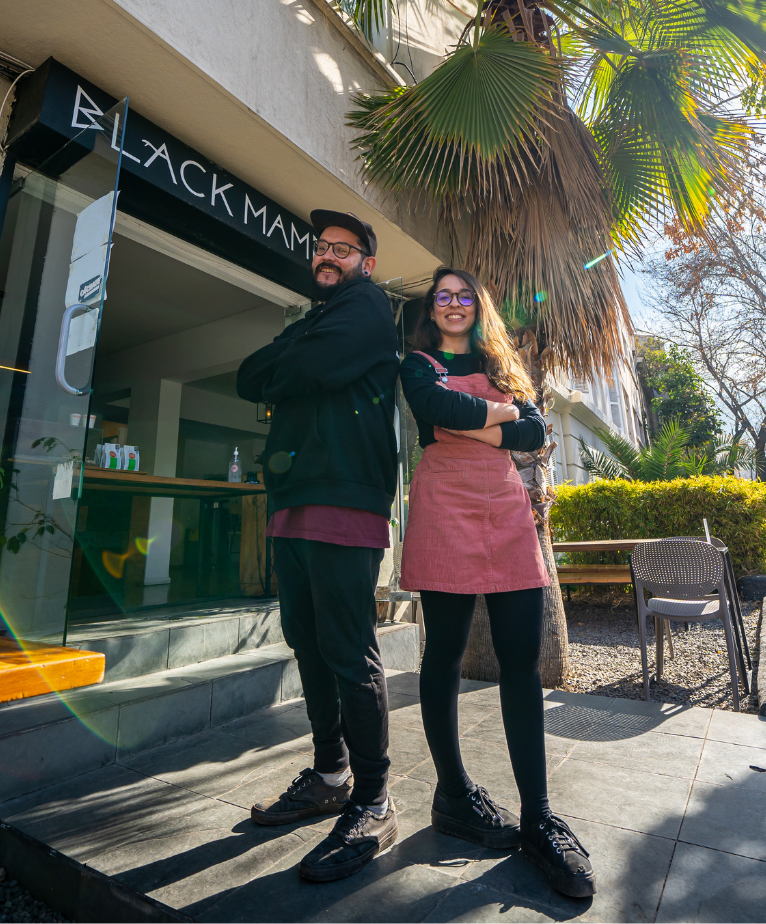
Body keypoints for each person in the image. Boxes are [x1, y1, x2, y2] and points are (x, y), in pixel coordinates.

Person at [396, 267, 596, 899]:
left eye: (464, 296)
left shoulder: (507, 369)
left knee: (520, 661)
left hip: (505, 510)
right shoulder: (418, 363)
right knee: (446, 653)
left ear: (478, 306)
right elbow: (435, 407)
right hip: (444, 504)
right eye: (442, 297)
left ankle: (538, 817)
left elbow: (536, 434)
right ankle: (452, 794)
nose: (453, 304)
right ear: (432, 309)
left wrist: (487, 418)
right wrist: (506, 417)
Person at [237, 210, 400, 882]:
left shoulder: (367, 307)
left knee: (347, 648)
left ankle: (373, 798)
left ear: (366, 260)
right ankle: (331, 772)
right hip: (294, 499)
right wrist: (296, 360)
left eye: (343, 248)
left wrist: (295, 362)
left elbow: (314, 366)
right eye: (321, 247)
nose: (328, 255)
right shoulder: (315, 316)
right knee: (307, 641)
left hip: (344, 496)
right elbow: (252, 375)